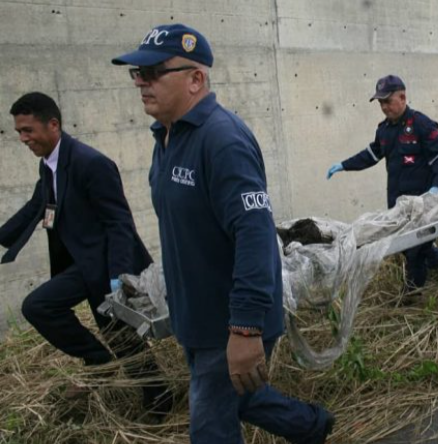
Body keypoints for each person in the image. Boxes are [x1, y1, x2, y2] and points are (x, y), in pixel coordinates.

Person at [112, 24, 334, 443]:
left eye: (154, 72)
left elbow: (254, 236)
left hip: (228, 323)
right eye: (136, 73)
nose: (141, 82)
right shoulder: (167, 137)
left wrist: (246, 329)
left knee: (211, 428)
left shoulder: (222, 140)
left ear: (196, 78)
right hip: (196, 318)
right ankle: (312, 427)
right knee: (245, 397)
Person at [0, 92, 170, 416]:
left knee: (121, 337)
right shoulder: (48, 165)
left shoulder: (91, 163)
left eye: (27, 130)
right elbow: (37, 207)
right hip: (82, 264)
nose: (22, 138)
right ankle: (97, 359)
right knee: (42, 307)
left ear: (53, 125)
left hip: (107, 266)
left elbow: (119, 223)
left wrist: (118, 280)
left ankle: (158, 400)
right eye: (19, 131)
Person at [326, 74, 438, 292]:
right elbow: (372, 154)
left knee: (414, 248)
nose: (384, 107)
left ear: (403, 97)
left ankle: (412, 295)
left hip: (421, 203)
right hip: (398, 204)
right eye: (380, 103)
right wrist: (343, 164)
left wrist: (437, 188)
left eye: (387, 101)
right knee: (409, 247)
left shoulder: (421, 124)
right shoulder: (384, 130)